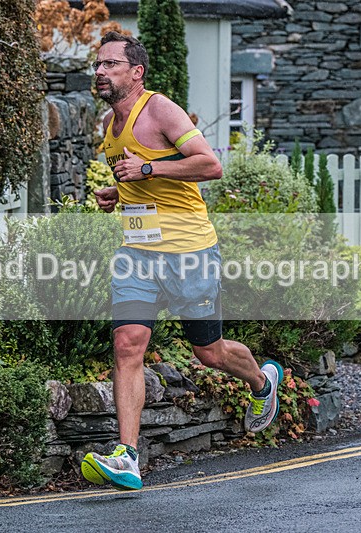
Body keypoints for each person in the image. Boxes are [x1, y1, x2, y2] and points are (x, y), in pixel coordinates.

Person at [81, 32, 283, 492]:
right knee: (128, 344)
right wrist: (121, 192)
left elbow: (210, 165)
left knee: (208, 352)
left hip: (189, 252)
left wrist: (148, 169)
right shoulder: (110, 126)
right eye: (98, 64)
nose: (100, 71)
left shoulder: (160, 110)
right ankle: (127, 456)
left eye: (111, 64)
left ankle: (261, 381)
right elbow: (146, 179)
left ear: (136, 72)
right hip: (137, 252)